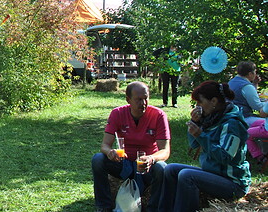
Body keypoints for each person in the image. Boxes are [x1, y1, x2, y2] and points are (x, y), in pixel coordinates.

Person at [157, 81, 251, 212]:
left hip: (232, 183)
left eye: (200, 102)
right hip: (213, 173)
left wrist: (201, 135)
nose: (197, 106)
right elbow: (194, 144)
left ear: (213, 101)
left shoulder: (233, 124)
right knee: (170, 169)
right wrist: (195, 124)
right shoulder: (211, 118)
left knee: (186, 176)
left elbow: (225, 157)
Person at [91, 81, 170, 212]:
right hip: (124, 163)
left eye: (146, 98)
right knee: (98, 159)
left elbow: (165, 150)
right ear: (128, 100)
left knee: (162, 167)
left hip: (147, 164)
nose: (143, 103)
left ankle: (153, 207)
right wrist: (110, 152)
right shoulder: (117, 113)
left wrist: (151, 158)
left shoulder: (158, 115)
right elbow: (104, 145)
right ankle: (103, 206)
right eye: (138, 99)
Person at [229, 61, 265, 126]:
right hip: (243, 118)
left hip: (231, 117)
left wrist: (255, 83)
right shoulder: (246, 86)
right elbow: (257, 106)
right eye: (255, 72)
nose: (256, 74)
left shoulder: (231, 82)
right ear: (250, 74)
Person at [245, 102, 268, 170]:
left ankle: (259, 156)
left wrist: (264, 106)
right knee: (257, 122)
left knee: (246, 134)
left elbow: (262, 114)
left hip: (266, 131)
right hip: (264, 124)